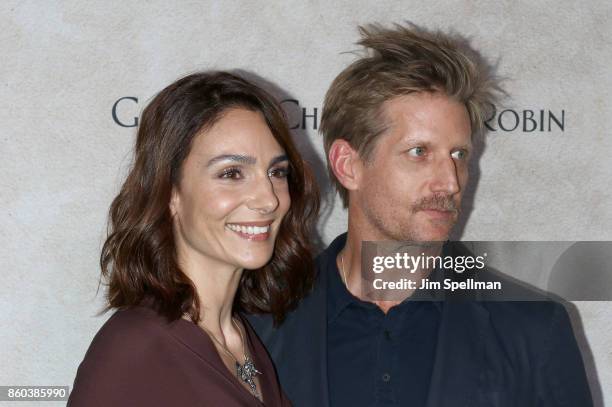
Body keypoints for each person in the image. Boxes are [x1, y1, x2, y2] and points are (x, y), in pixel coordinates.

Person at [248, 23, 594, 406]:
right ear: (348, 165)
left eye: (459, 155)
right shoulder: (258, 327)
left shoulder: (533, 330)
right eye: (419, 152)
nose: (450, 182)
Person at [68, 71, 319, 406]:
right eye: (232, 174)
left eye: (277, 172)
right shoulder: (133, 350)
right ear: (171, 192)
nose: (269, 199)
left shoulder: (242, 337)